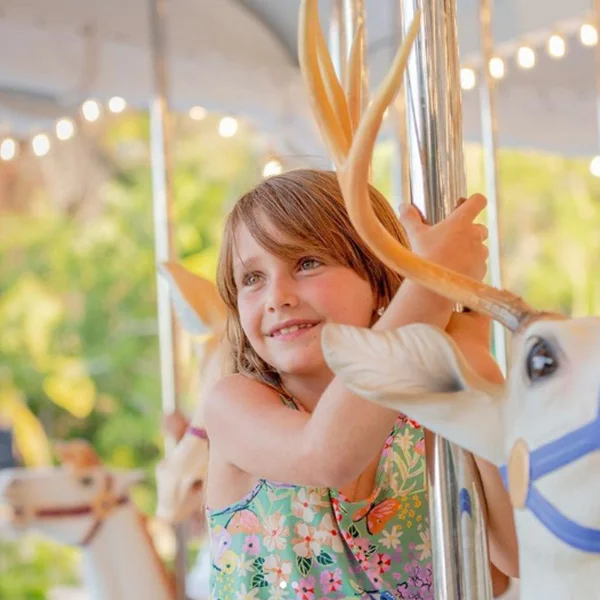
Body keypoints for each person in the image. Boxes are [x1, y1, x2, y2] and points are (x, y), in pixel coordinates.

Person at [198, 169, 517, 599]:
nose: (278, 296)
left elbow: (516, 556)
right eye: (252, 278)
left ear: (380, 280)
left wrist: (472, 363)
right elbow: (326, 454)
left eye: (307, 263)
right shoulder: (234, 404)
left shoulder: (428, 413)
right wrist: (432, 289)